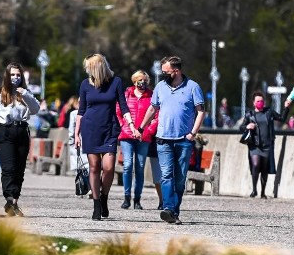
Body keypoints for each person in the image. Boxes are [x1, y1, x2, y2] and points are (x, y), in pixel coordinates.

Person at [137, 56, 205, 225]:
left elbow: (201, 111)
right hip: (163, 139)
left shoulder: (192, 87)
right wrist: (141, 127)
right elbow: (153, 108)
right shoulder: (160, 87)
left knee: (180, 178)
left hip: (183, 140)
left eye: (166, 71)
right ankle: (168, 208)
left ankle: (174, 211)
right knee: (166, 175)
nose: (163, 74)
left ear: (176, 70)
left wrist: (193, 133)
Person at [74, 54, 140, 221]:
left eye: (89, 66)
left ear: (98, 67)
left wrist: (131, 125)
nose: (87, 69)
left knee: (109, 167)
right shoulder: (85, 84)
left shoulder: (116, 82)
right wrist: (76, 134)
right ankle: (97, 204)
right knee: (94, 167)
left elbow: (124, 107)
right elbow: (81, 111)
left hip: (110, 129)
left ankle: (104, 196)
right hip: (90, 129)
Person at [0, 62, 40, 217]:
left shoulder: (25, 93)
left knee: (20, 169)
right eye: (13, 75)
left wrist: (26, 94)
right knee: (9, 168)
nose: (15, 77)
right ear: (7, 76)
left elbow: (35, 109)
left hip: (22, 130)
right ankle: (9, 198)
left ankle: (13, 201)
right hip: (5, 131)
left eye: (18, 75)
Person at [116, 70, 157, 210]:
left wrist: (148, 131)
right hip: (127, 134)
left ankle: (137, 199)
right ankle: (126, 197)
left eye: (144, 80)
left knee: (139, 168)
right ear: (134, 81)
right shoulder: (127, 94)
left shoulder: (151, 96)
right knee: (127, 165)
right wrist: (124, 126)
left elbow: (156, 116)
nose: (142, 82)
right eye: (139, 80)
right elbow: (118, 111)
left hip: (143, 136)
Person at [240, 91, 285, 198]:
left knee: (264, 169)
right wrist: (247, 126)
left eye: (261, 101)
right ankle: (254, 189)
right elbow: (241, 127)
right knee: (255, 165)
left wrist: (286, 107)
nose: (260, 102)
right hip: (254, 145)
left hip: (267, 145)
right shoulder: (249, 115)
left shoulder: (269, 112)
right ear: (254, 103)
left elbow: (282, 118)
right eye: (258, 101)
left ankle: (263, 192)